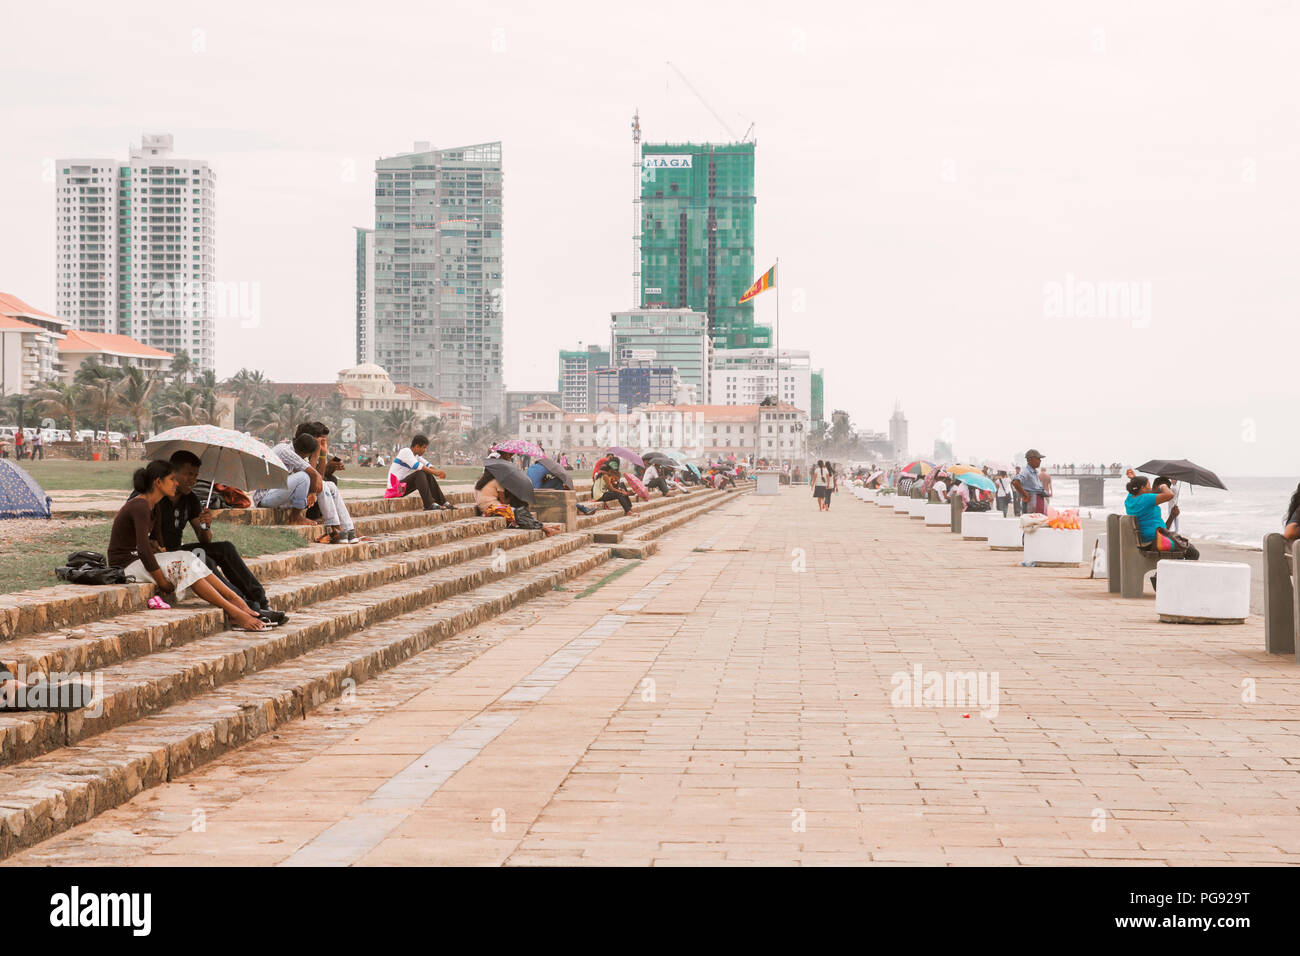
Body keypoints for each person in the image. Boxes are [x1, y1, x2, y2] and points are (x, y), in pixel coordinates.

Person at [110, 460, 266, 631]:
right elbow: (143, 549)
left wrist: (162, 548)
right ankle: (233, 612)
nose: (176, 483)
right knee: (185, 562)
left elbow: (157, 544)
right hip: (126, 566)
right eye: (172, 479)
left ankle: (236, 601)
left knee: (190, 556)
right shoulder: (140, 505)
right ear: (158, 482)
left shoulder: (155, 506)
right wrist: (163, 582)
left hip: (141, 561)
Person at [139, 450, 287, 626]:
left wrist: (205, 524)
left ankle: (261, 602)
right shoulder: (155, 497)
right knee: (202, 557)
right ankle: (244, 606)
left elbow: (204, 539)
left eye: (195, 476)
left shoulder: (190, 499)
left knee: (225, 548)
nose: (192, 480)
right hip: (165, 554)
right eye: (187, 474)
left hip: (178, 550)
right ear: (173, 473)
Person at [1124, 473, 1199, 590]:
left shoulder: (1130, 499)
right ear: (1142, 488)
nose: (1149, 488)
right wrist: (1164, 486)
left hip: (1152, 537)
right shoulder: (1145, 499)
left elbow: (1163, 528)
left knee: (1184, 548)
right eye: (1148, 485)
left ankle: (1161, 578)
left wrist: (1172, 516)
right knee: (1192, 552)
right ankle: (1168, 581)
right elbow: (1169, 495)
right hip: (1153, 540)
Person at [390, 434, 454, 511]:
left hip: (401, 488)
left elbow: (428, 465)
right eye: (424, 448)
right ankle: (429, 505)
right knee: (420, 473)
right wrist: (435, 473)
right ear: (417, 447)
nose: (425, 450)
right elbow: (417, 466)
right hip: (394, 489)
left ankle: (442, 502)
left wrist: (438, 472)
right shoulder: (406, 451)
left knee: (427, 473)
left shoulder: (416, 456)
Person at [1012, 449, 1048, 515]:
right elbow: (1015, 482)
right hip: (1032, 504)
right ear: (1030, 460)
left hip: (1037, 502)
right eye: (1038, 458)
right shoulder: (1026, 471)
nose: (1040, 461)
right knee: (1031, 522)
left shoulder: (1034, 472)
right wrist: (1025, 494)